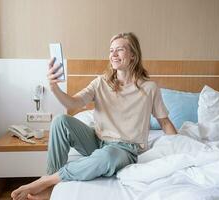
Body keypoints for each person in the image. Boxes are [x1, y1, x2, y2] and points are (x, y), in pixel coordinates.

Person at [11, 32, 177, 200]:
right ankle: (51, 179)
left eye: (119, 50)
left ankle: (48, 181)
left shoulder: (149, 88)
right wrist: (54, 89)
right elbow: (73, 103)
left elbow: (164, 122)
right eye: (111, 50)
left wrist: (181, 145)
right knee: (60, 121)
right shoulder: (101, 82)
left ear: (133, 55)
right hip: (97, 141)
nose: (113, 54)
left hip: (125, 149)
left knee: (107, 156)